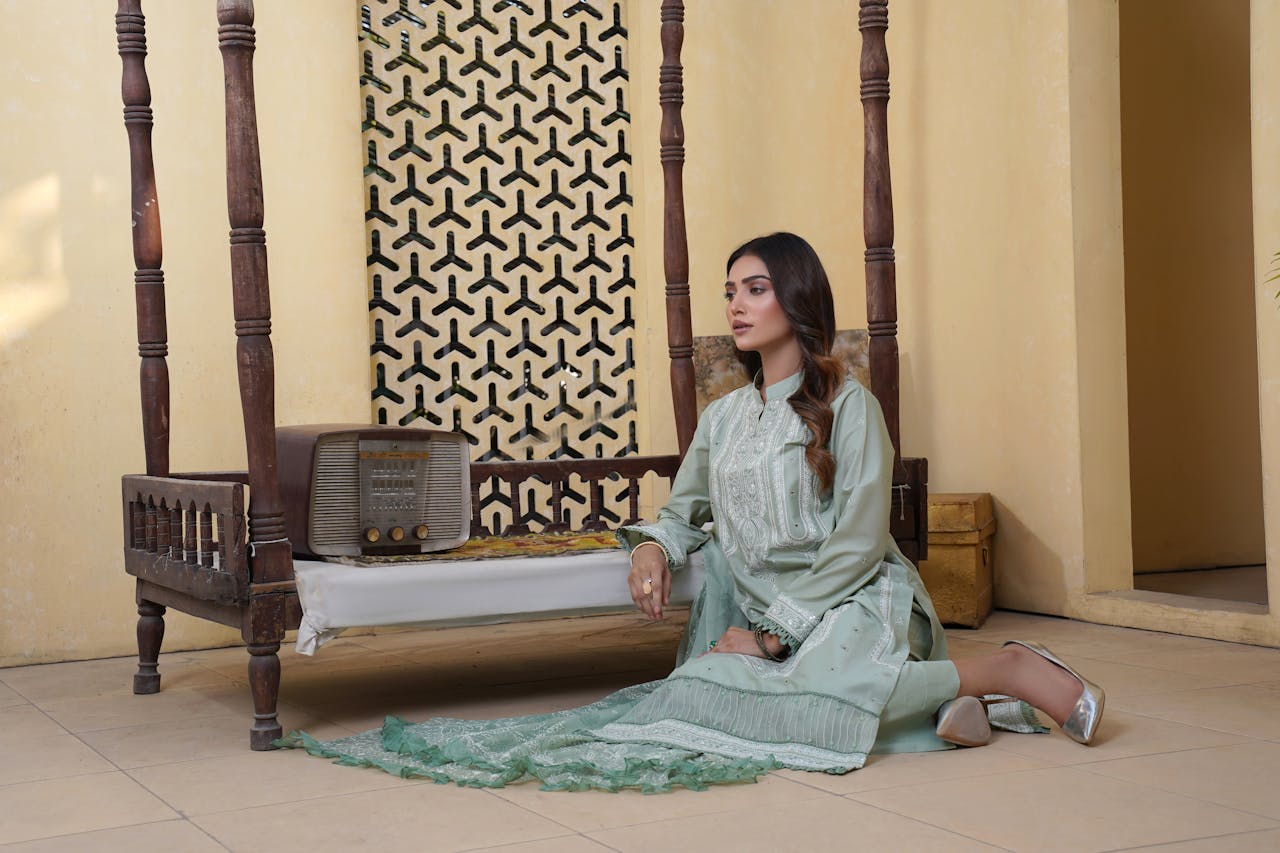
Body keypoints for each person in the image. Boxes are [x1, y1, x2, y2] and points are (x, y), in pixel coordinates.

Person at [283, 232, 1103, 790]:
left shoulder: (852, 407)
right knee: (696, 694)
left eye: (755, 289)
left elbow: (859, 539)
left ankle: (1005, 670)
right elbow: (684, 510)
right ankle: (943, 707)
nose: (737, 306)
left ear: (796, 297)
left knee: (813, 677)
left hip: (849, 600)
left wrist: (777, 633)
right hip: (751, 608)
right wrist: (654, 548)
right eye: (730, 293)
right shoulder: (722, 419)